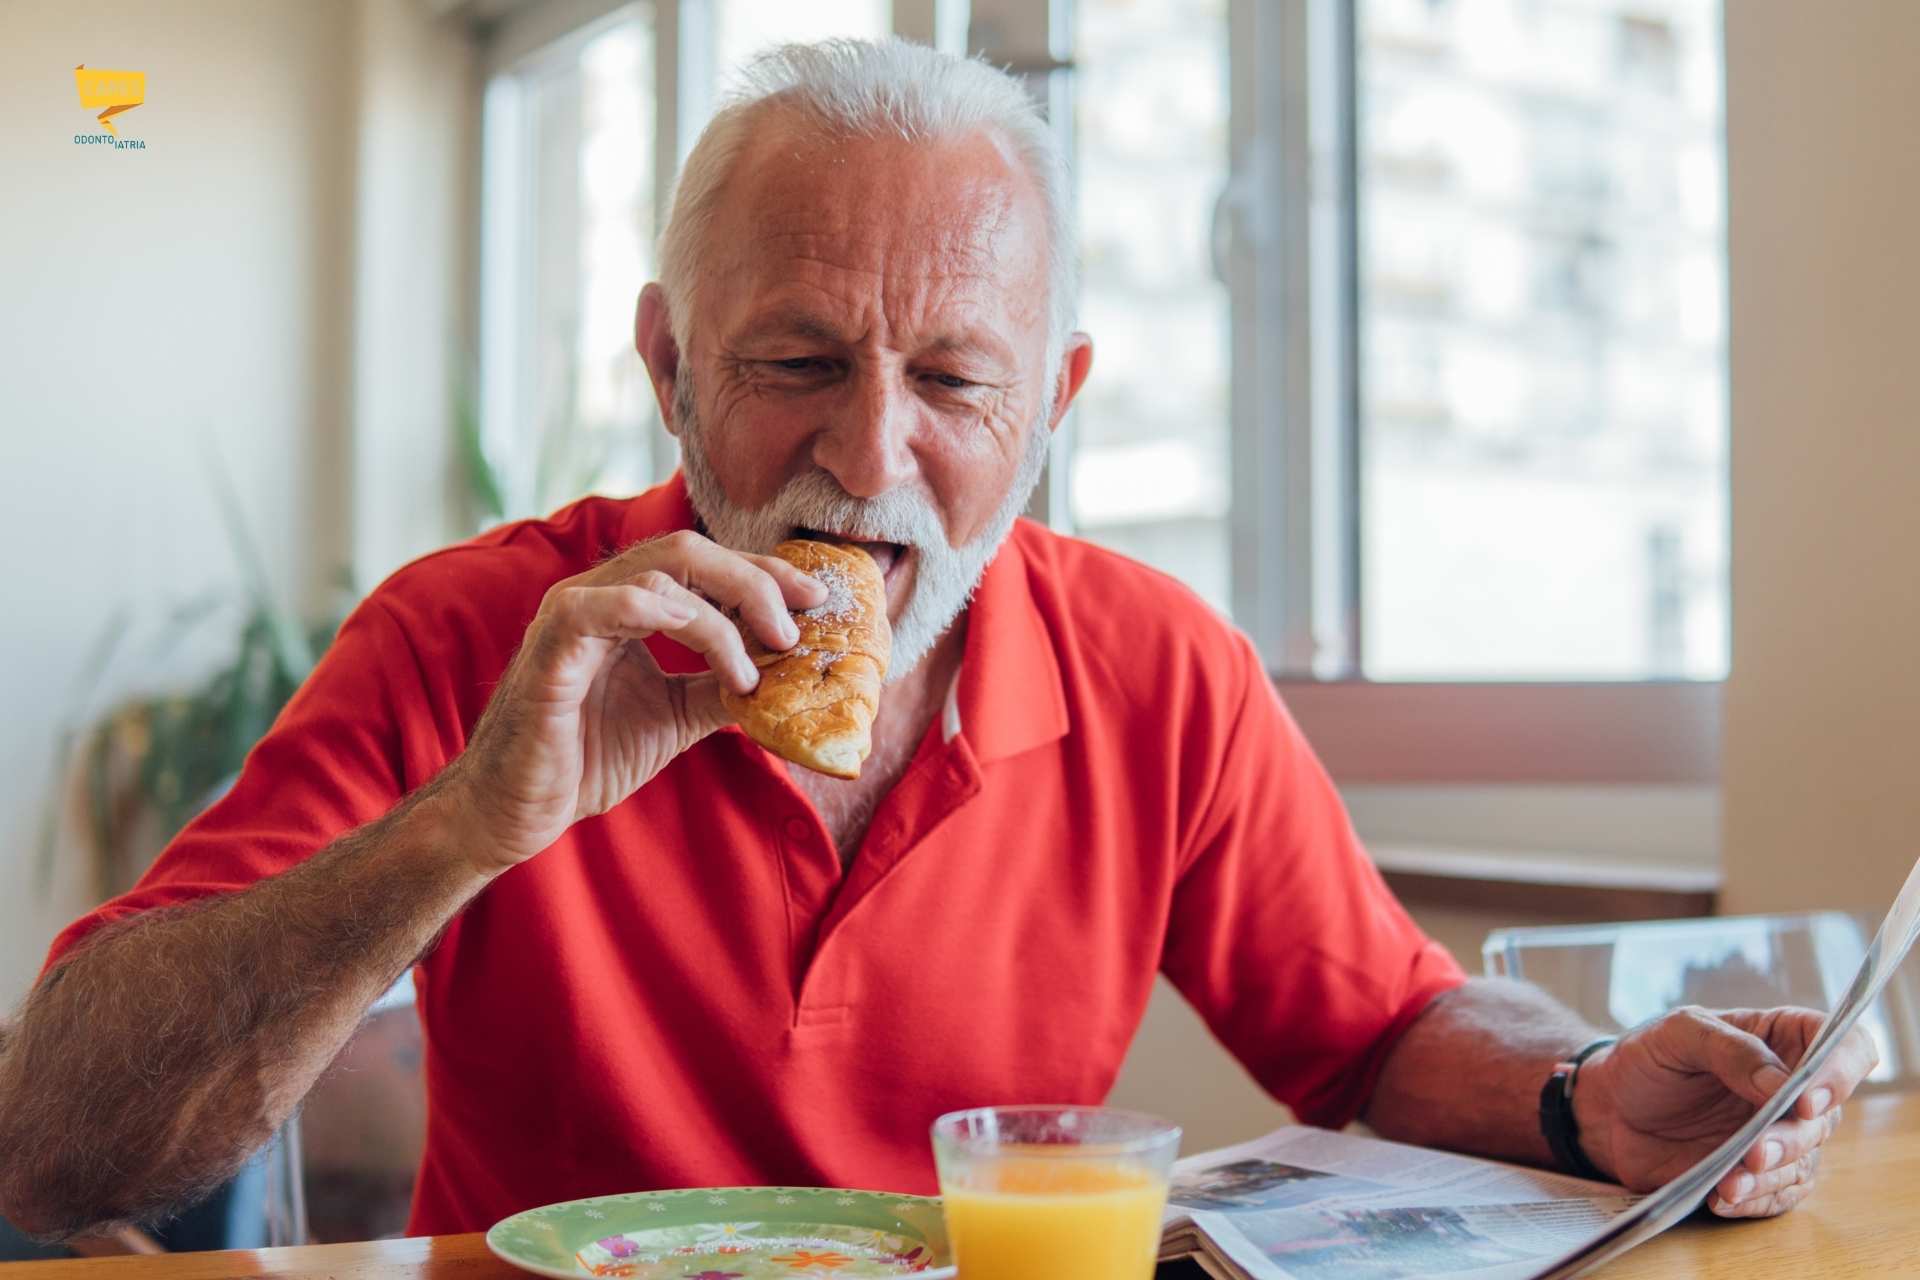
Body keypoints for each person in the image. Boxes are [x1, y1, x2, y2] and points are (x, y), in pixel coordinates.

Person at [0, 38, 1875, 1242]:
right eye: (797, 363)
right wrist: (464, 831)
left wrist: (1577, 1093)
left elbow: (1380, 1026)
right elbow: (56, 1154)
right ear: (666, 368)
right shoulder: (476, 634)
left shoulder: (1158, 664)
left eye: (955, 380)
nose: (866, 458)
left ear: (1051, 401)